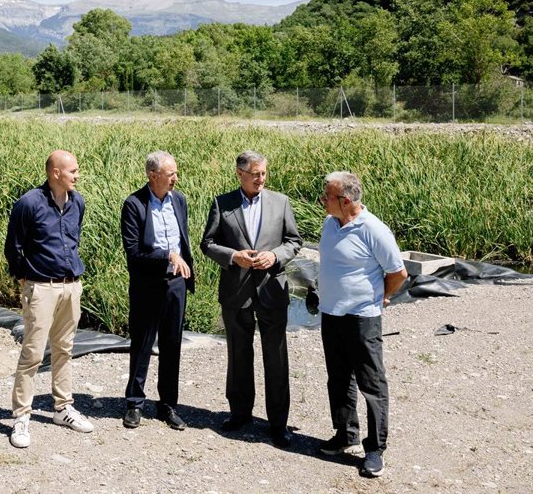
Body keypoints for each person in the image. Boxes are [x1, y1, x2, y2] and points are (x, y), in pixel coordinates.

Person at [201, 150, 302, 447]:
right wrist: (234, 256)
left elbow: (294, 241)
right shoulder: (222, 203)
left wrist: (275, 256)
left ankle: (278, 423)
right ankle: (240, 414)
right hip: (236, 291)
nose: (261, 179)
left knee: (276, 358)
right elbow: (208, 243)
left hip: (272, 290)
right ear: (240, 174)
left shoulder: (280, 202)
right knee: (238, 354)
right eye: (255, 174)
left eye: (264, 173)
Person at [316, 171, 408, 478]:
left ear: (345, 200)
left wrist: (381, 296)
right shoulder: (330, 224)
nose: (322, 200)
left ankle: (375, 449)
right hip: (332, 315)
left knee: (371, 383)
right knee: (338, 379)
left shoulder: (373, 229)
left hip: (362, 318)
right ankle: (346, 434)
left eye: (327, 196)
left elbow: (398, 273)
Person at [4, 150, 95, 449]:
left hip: (71, 287)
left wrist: (72, 285)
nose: (77, 175)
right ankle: (21, 416)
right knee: (32, 353)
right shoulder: (29, 203)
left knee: (64, 350)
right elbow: (13, 247)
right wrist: (24, 278)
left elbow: (73, 240)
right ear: (56, 173)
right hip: (41, 288)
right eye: (73, 171)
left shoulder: (77, 202)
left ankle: (62, 408)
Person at [120, 151, 194, 430]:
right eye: (170, 174)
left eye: (176, 173)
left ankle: (168, 405)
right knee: (142, 344)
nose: (176, 178)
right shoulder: (134, 204)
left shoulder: (179, 200)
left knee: (172, 345)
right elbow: (133, 252)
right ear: (153, 176)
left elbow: (183, 240)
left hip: (176, 283)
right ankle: (134, 403)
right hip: (148, 284)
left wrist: (180, 262)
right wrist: (168, 256)